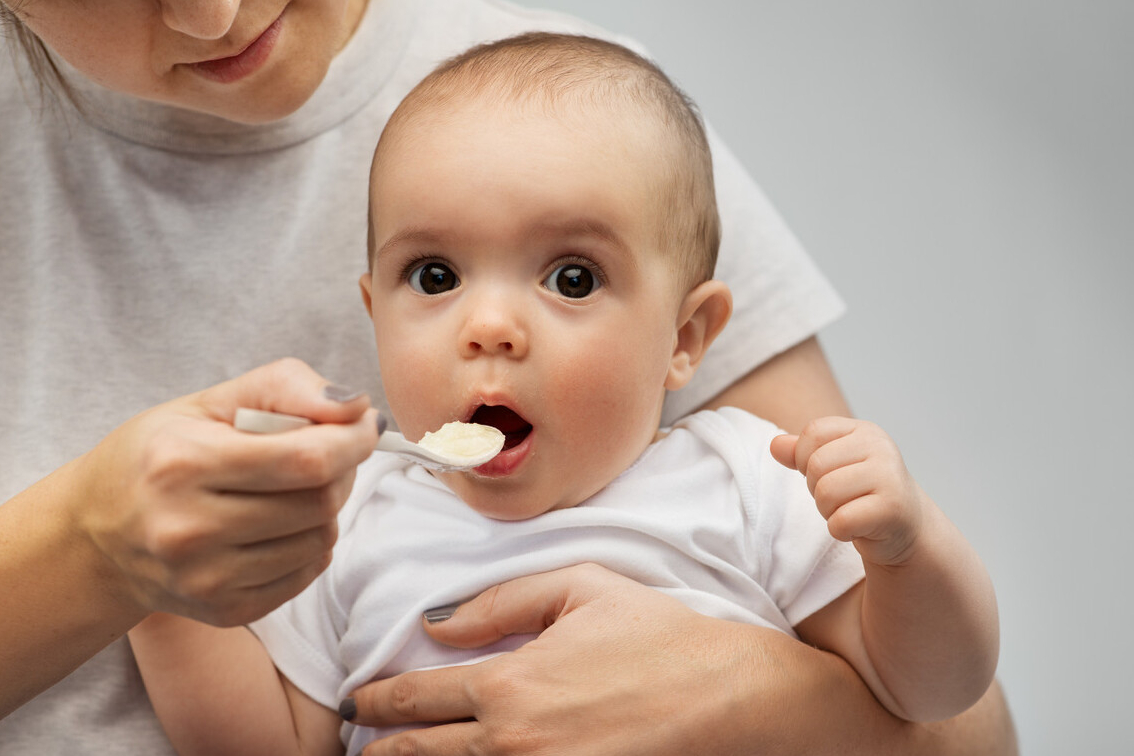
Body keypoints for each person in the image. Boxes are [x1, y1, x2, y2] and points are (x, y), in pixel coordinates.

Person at [0, 0, 1017, 753]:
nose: (487, 326)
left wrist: (908, 548)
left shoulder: (747, 481)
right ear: (370, 314)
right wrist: (158, 589)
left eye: (571, 278)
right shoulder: (357, 524)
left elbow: (938, 697)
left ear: (688, 337)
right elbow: (268, 746)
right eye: (433, 276)